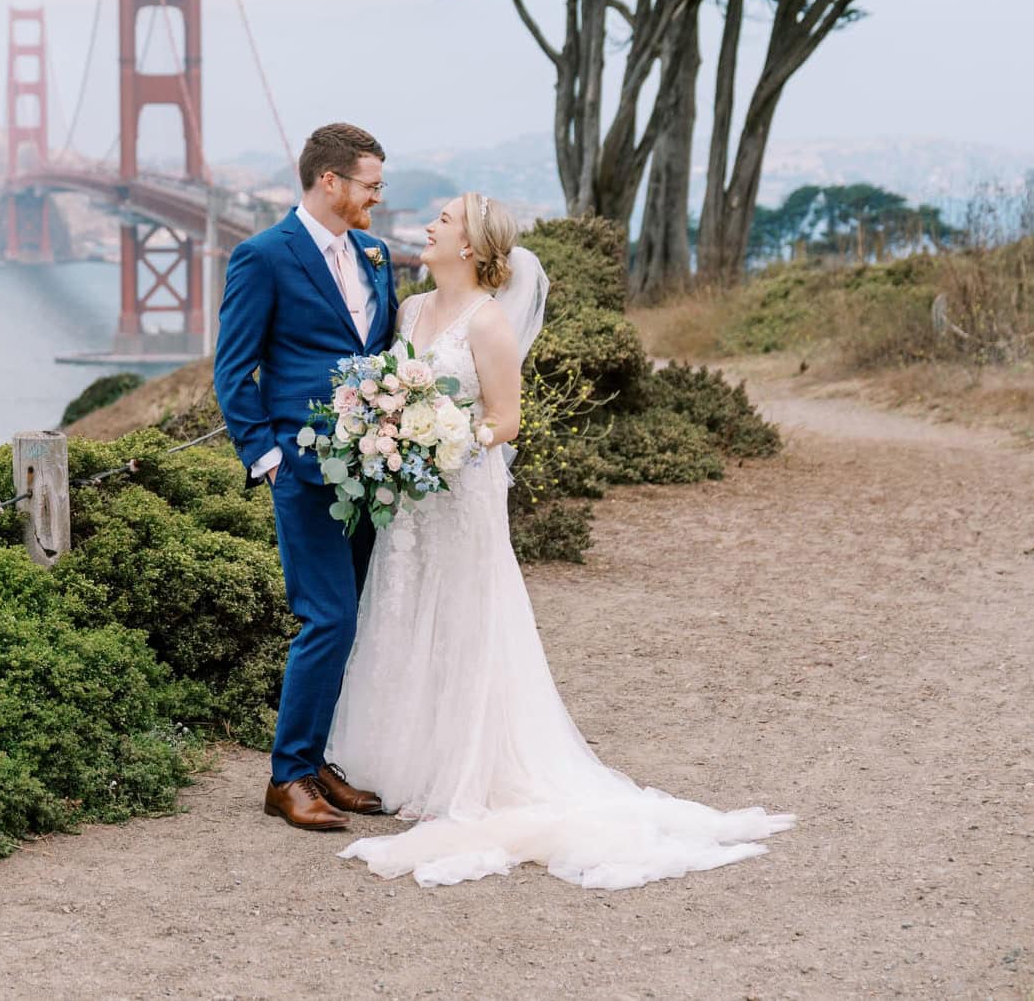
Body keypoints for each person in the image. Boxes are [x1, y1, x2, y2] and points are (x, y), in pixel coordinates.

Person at [326, 192, 795, 888]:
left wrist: (446, 438)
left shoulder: (488, 325)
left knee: (463, 615)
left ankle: (467, 766)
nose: (428, 227)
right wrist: (388, 432)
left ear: (471, 246)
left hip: (460, 491)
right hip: (411, 500)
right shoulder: (411, 310)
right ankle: (397, 760)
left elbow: (505, 420)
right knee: (403, 608)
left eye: (444, 220)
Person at [213, 122, 399, 830]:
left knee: (351, 620)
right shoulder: (262, 256)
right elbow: (234, 369)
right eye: (370, 185)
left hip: (372, 471)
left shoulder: (378, 254)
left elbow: (380, 352)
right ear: (331, 181)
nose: (377, 199)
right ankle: (286, 777)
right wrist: (267, 459)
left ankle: (318, 763)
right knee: (327, 616)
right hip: (302, 469)